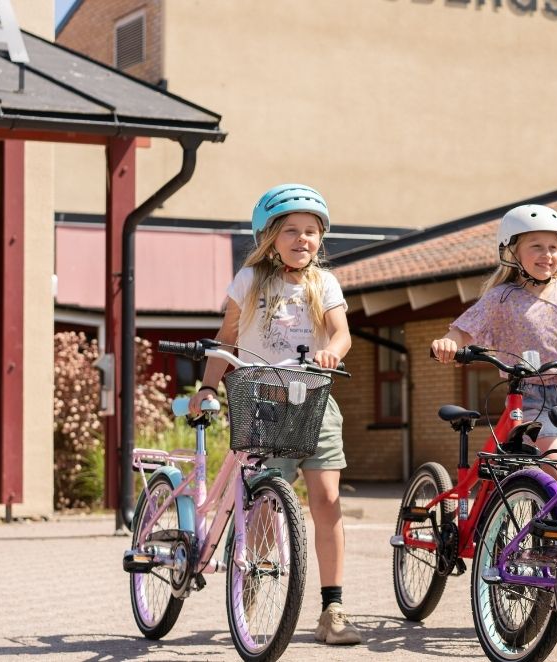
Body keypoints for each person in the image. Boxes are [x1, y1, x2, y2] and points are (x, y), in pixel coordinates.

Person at [191, 184, 360, 645]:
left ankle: (332, 610)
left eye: (311, 231)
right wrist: (207, 386)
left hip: (315, 399)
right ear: (269, 236)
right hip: (263, 400)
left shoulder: (323, 283)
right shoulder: (249, 280)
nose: (303, 238)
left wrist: (331, 351)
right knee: (266, 502)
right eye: (291, 230)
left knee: (327, 500)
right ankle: (253, 584)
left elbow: (342, 333)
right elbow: (227, 339)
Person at [430, 204, 557, 485]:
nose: (547, 254)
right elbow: (464, 330)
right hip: (530, 395)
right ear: (512, 252)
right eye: (536, 246)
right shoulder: (502, 297)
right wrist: (447, 343)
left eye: (553, 247)